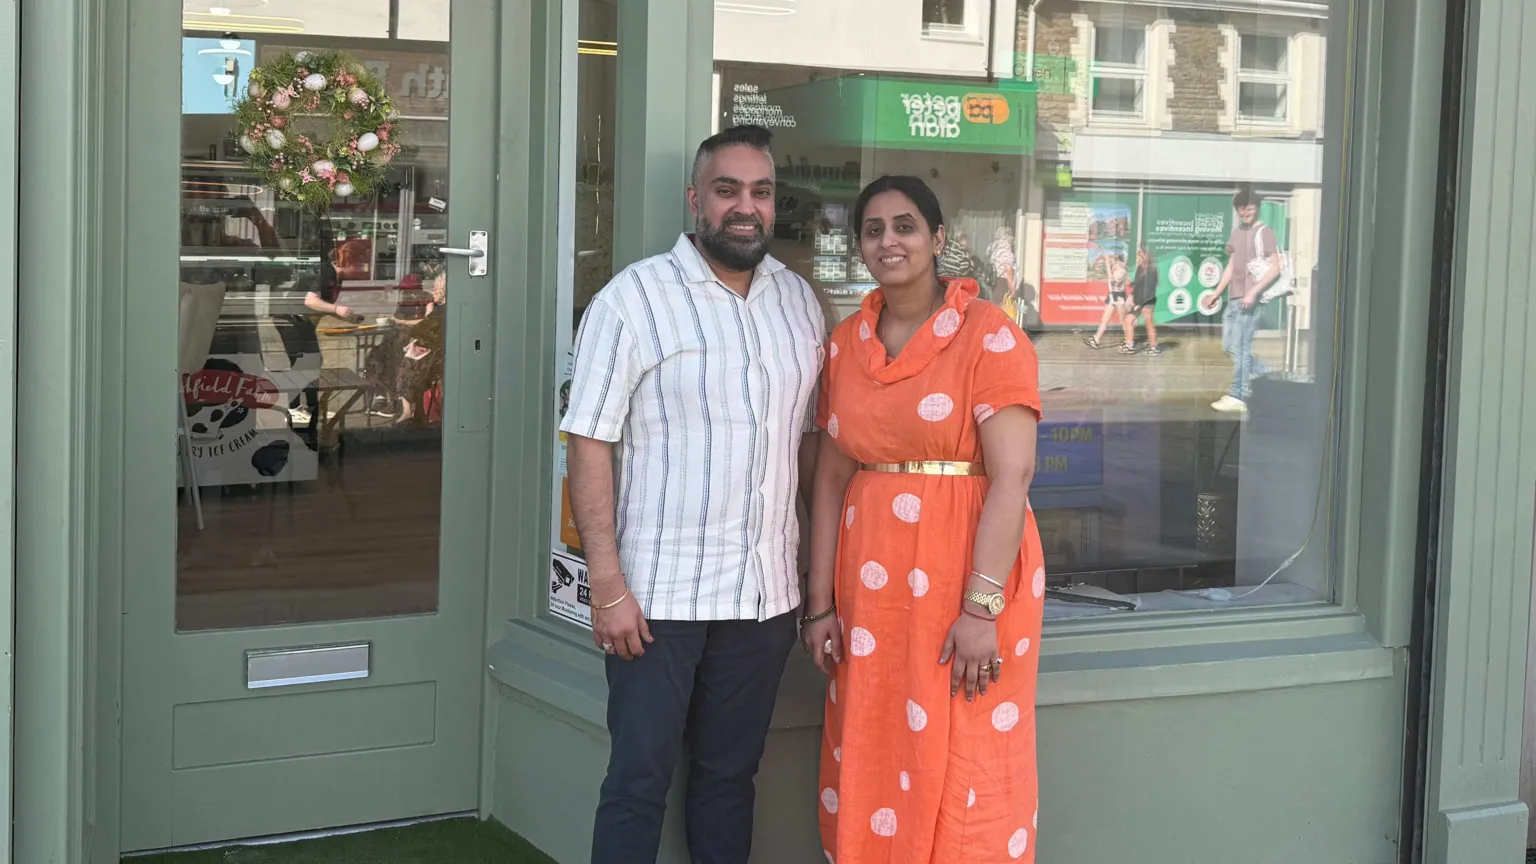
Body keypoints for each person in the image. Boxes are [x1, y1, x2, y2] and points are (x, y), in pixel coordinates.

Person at [561, 124, 825, 864]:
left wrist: (815, 576)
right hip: (657, 601)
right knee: (637, 783)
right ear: (695, 199)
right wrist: (606, 586)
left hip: (763, 598)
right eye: (727, 189)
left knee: (728, 780)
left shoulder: (798, 302)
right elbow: (588, 442)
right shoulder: (633, 299)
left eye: (761, 192)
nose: (746, 207)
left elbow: (807, 442)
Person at [802, 175, 1045, 863]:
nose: (889, 241)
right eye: (873, 230)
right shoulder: (846, 343)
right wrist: (819, 606)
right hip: (872, 592)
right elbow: (830, 475)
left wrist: (981, 609)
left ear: (938, 239)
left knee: (967, 741)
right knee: (877, 730)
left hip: (967, 582)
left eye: (905, 226)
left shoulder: (989, 335)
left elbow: (1013, 476)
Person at [1211, 185, 1280, 413]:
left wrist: (1253, 292)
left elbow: (1275, 268)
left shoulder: (1264, 232)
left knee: (1240, 348)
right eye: (1241, 208)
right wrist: (1216, 293)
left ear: (1257, 207)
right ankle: (1262, 371)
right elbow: (1231, 266)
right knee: (1229, 347)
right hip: (1234, 299)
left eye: (1249, 207)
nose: (1245, 211)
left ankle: (1237, 395)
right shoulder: (1237, 232)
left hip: (1250, 301)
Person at [1083, 252, 1130, 350]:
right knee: (1104, 319)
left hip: (1119, 298)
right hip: (1112, 297)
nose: (1110, 261)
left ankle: (1128, 339)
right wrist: (1108, 264)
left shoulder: (1122, 270)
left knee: (1123, 320)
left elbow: (1113, 280)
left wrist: (1108, 264)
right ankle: (1096, 339)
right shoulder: (1115, 268)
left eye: (1112, 259)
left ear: (1117, 259)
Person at [1122, 246, 1162, 355]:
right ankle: (1129, 345)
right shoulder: (1140, 268)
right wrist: (1131, 284)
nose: (1137, 259)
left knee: (1148, 324)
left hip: (1147, 301)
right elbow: (1139, 285)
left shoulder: (1151, 271)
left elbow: (1148, 290)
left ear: (1145, 257)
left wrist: (1139, 304)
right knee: (1128, 320)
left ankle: (1153, 347)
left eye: (1138, 257)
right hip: (1139, 301)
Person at [986, 226, 1019, 322]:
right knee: (1004, 308)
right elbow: (1008, 270)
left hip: (994, 282)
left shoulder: (994, 249)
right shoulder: (1006, 252)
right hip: (1004, 282)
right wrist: (1012, 287)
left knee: (996, 307)